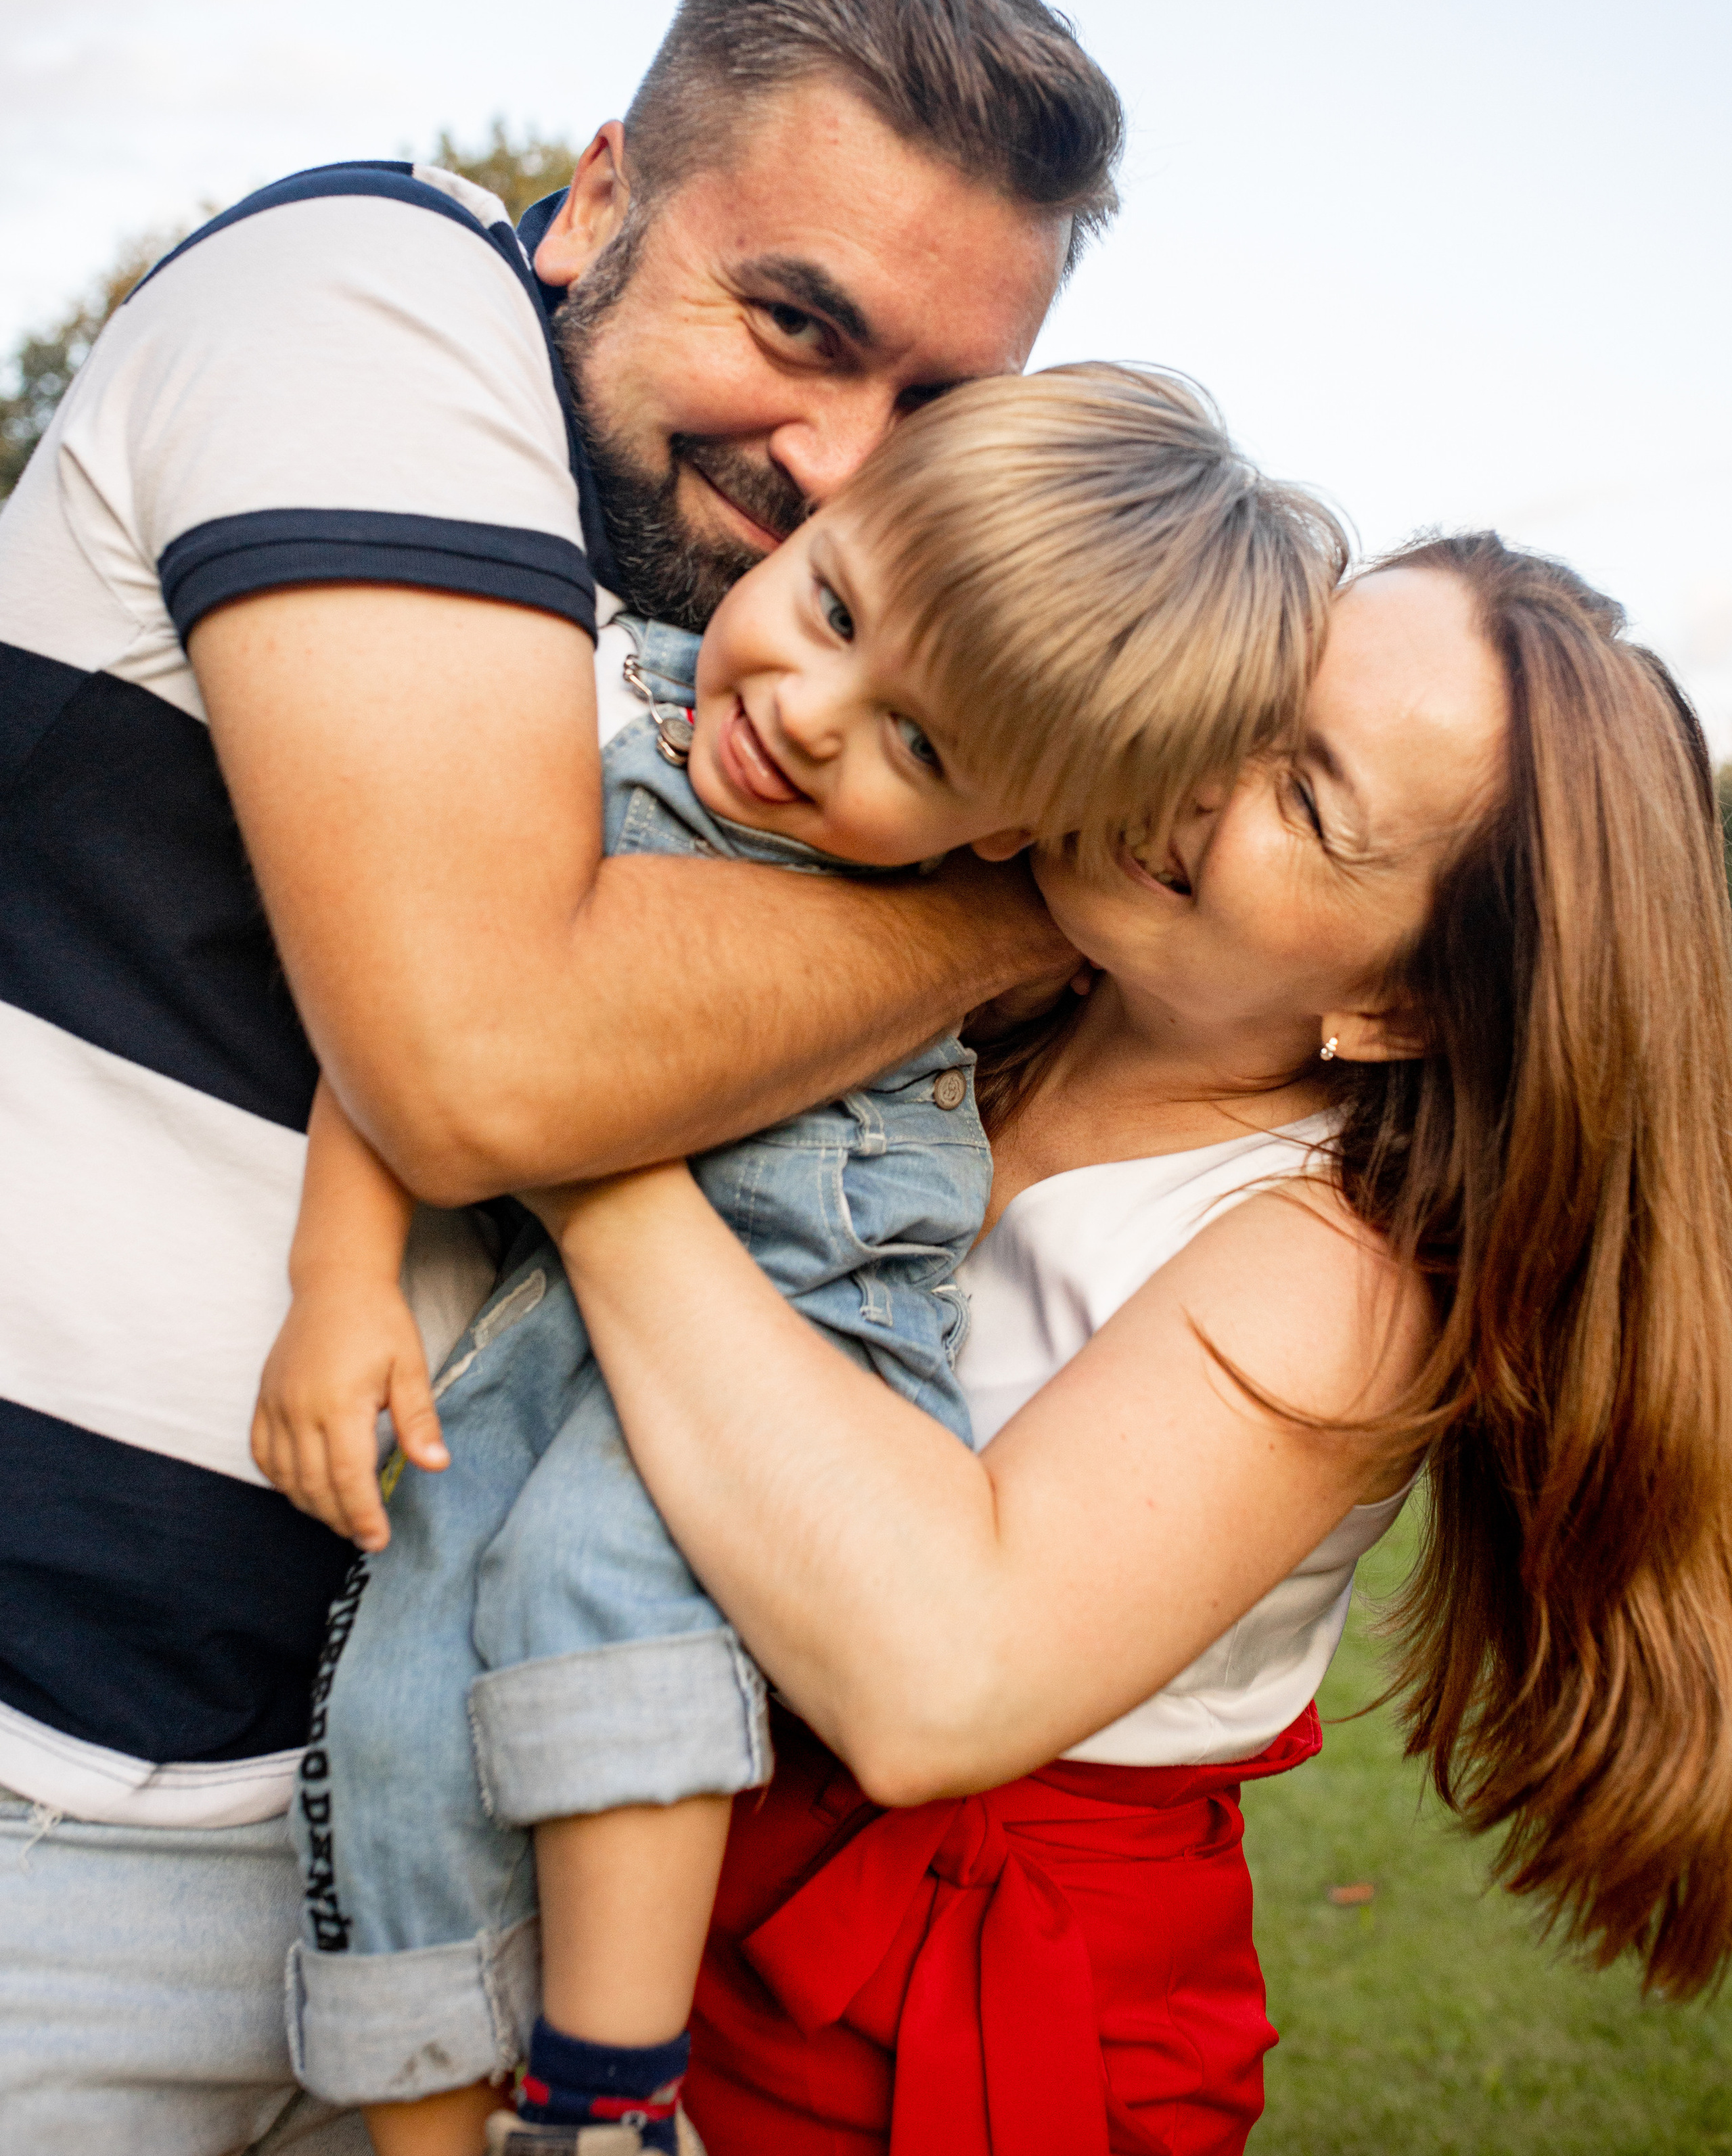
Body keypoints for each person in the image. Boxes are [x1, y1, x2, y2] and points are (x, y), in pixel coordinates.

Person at [0, 0, 1123, 2153]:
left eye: (934, 408)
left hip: (424, 1842)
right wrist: (1011, 909)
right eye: (796, 322)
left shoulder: (737, 663)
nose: (843, 458)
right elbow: (481, 1060)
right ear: (601, 192)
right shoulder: (373, 305)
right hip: (70, 1826)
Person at [252, 366, 1343, 2156]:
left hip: (798, 1317)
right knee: (398, 1680)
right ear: (818, 523)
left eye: (921, 745)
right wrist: (340, 1281)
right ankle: (425, 2128)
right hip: (540, 1340)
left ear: (1011, 833)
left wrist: (562, 1120)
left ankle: (605, 2099)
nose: (812, 713)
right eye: (831, 608)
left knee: (613, 1577)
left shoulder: (979, 948)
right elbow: (424, 1019)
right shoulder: (602, 717)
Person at [538, 536, 1732, 2153]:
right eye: (1250, 700)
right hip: (644, 1828)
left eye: (1305, 799)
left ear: (1407, 1007)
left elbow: (936, 1685)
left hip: (928, 2018)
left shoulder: (1342, 1270)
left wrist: (571, 1126)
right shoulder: (968, 975)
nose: (1202, 770)